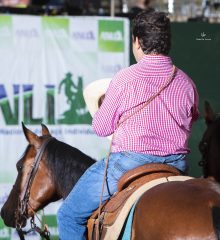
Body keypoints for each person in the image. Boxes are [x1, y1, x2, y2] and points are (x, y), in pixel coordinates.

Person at [57, 10, 199, 239]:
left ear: (137, 41)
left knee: (68, 216)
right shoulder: (186, 82)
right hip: (177, 165)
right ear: (167, 42)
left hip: (129, 164)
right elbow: (191, 120)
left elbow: (101, 128)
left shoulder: (125, 78)